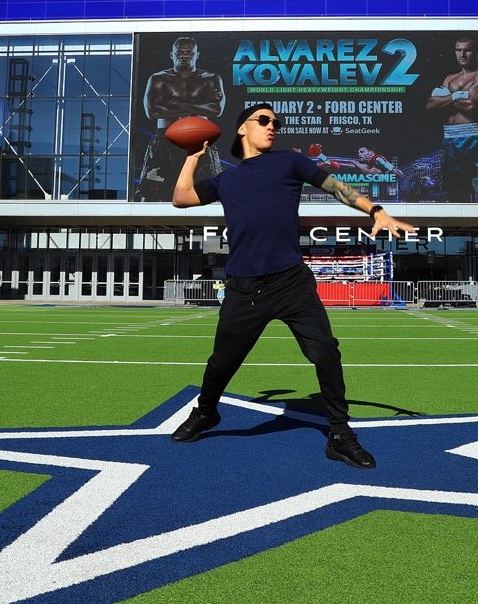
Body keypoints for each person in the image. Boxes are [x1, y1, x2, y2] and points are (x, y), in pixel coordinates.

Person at [170, 103, 417, 469]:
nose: (273, 127)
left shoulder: (290, 161)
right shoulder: (227, 179)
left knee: (325, 352)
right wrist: (193, 155)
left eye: (277, 123)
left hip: (291, 281)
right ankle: (206, 412)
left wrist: (376, 210)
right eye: (264, 120)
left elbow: (337, 188)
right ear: (242, 129)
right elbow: (181, 198)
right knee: (222, 363)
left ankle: (339, 433)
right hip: (244, 287)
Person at [135, 37, 226, 201]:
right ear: (172, 55)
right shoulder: (158, 79)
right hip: (165, 140)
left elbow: (217, 109)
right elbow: (152, 112)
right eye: (180, 53)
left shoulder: (211, 78)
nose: (184, 56)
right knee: (150, 195)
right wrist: (197, 106)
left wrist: (174, 103)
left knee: (210, 192)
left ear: (197, 54)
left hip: (200, 141)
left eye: (189, 52)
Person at [425, 36, 478, 202]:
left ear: (477, 52)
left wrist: (445, 98)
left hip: (477, 137)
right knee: (455, 190)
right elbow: (430, 105)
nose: (463, 54)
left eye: (467, 50)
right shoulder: (450, 78)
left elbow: (472, 107)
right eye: (458, 50)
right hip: (450, 139)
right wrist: (458, 95)